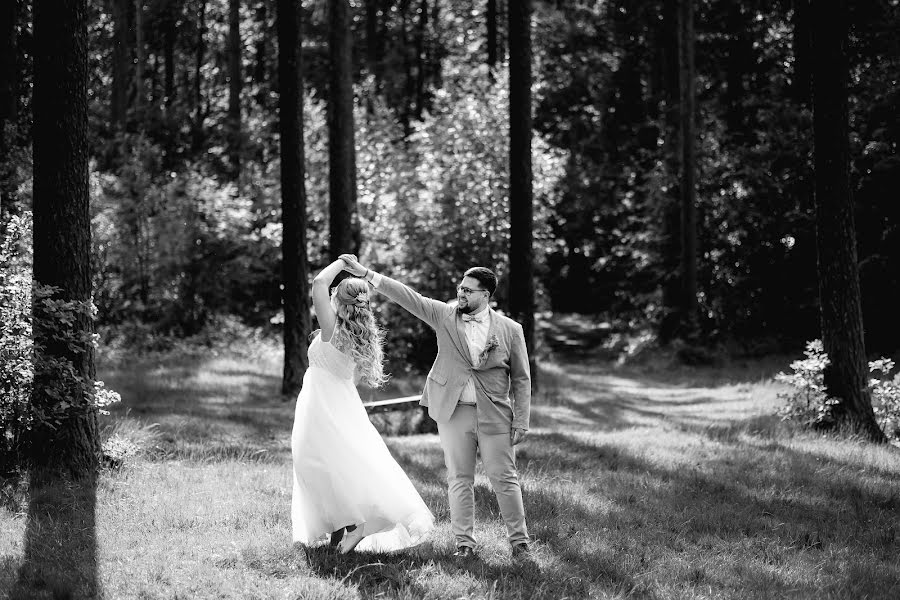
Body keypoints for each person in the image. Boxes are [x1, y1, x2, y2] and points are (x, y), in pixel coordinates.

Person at [339, 254, 532, 559]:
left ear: (486, 295)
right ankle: (465, 545)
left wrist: (521, 420)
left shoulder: (511, 330)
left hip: (495, 412)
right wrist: (367, 274)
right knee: (459, 477)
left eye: (469, 290)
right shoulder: (444, 315)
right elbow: (408, 297)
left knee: (504, 477)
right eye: (460, 288)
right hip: (454, 411)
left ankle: (519, 542)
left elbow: (521, 379)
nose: (461, 293)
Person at [290, 257, 434, 554]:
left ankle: (353, 524)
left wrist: (341, 262)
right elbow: (348, 378)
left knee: (317, 465)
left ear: (338, 303)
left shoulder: (330, 328)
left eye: (334, 296)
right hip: (344, 404)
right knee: (342, 466)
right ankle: (343, 535)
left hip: (321, 404)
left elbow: (318, 282)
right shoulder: (359, 335)